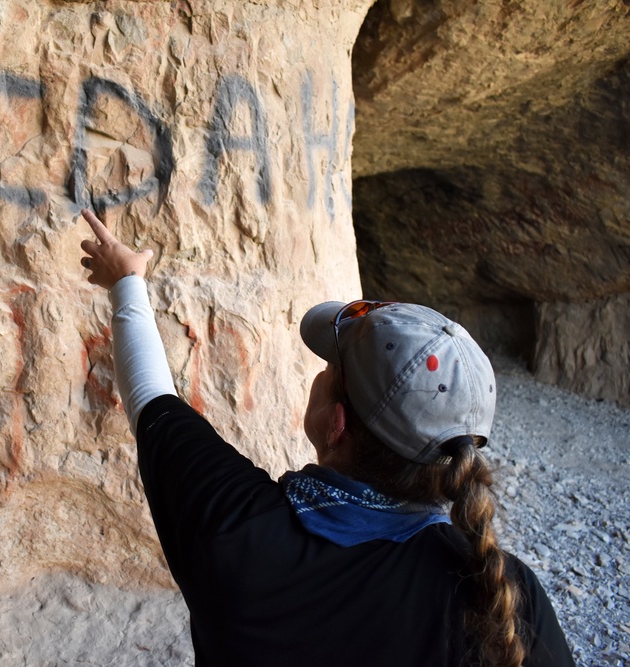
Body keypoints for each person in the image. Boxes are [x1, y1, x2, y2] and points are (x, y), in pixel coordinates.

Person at [78, 208, 575, 666]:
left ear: (336, 425)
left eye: (330, 366)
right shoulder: (506, 597)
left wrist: (127, 279)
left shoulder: (241, 532)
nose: (320, 370)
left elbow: (150, 398)